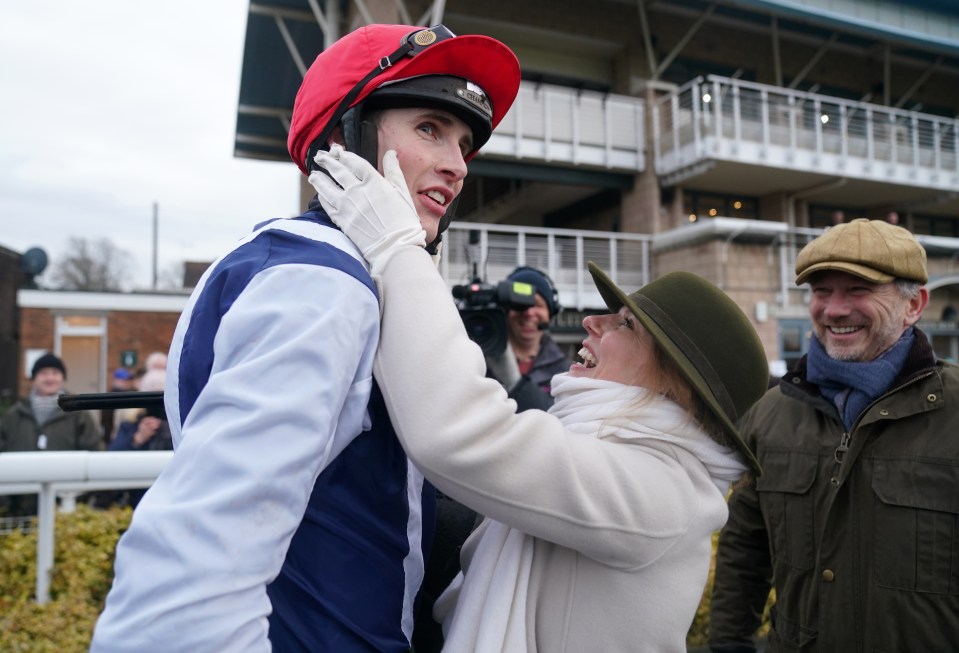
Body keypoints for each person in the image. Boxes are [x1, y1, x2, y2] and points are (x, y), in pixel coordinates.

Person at [91, 23, 520, 653]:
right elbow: (190, 574)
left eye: (465, 144)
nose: (457, 165)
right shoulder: (325, 284)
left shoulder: (294, 259)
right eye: (430, 128)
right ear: (346, 137)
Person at [310, 146, 771, 651]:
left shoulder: (663, 491)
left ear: (673, 387)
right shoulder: (632, 461)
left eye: (626, 325)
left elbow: (459, 432)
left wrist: (400, 254)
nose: (593, 320)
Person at [708, 218, 959, 653]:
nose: (834, 309)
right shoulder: (769, 415)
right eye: (822, 291)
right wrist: (729, 646)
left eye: (858, 290)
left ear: (914, 304)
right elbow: (744, 553)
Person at [0, 352, 100, 516]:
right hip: (18, 510)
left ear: (62, 378)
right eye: (44, 373)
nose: (50, 378)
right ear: (34, 378)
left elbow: (94, 452)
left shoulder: (78, 415)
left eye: (55, 373)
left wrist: (83, 497)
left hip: (65, 507)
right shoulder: (13, 416)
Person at [485, 266, 571, 412]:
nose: (529, 312)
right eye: (520, 305)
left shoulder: (566, 373)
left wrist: (514, 382)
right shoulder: (480, 361)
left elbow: (558, 421)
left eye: (537, 304)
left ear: (551, 312)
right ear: (505, 312)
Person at [106, 368, 171, 508]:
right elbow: (111, 461)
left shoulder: (180, 425)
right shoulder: (130, 425)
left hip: (171, 498)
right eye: (151, 397)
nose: (158, 406)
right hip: (137, 502)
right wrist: (137, 439)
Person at [99, 367, 133, 446]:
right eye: (124, 380)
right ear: (116, 380)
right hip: (113, 438)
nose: (127, 382)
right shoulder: (111, 397)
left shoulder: (129, 395)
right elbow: (106, 421)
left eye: (128, 380)